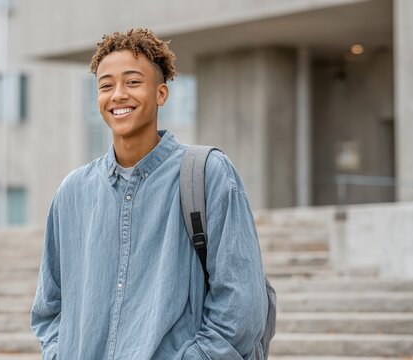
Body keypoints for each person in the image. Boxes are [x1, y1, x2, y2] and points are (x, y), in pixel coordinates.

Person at [31, 28, 268, 360]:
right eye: (105, 85)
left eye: (132, 82)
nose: (117, 95)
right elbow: (49, 307)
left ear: (161, 94)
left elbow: (241, 306)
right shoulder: (72, 192)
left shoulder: (209, 174)